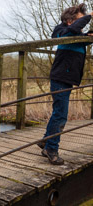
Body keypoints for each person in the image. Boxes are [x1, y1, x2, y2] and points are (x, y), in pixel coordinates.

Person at [37, 3, 93, 165]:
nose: (83, 26)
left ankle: (46, 141)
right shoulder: (63, 31)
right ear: (70, 21)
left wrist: (89, 35)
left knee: (58, 112)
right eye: (81, 21)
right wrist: (89, 16)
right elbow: (75, 30)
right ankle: (51, 149)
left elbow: (80, 37)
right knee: (61, 114)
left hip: (66, 79)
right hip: (61, 79)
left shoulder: (73, 34)